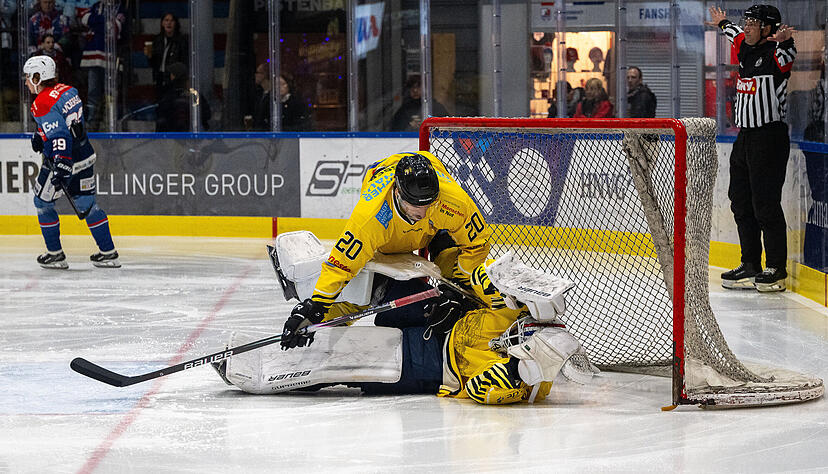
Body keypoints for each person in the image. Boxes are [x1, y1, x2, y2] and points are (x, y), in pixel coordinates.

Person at [215, 253, 596, 405]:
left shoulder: (519, 385)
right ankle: (317, 308)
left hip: (424, 366)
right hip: (436, 321)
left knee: (341, 362)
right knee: (387, 285)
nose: (519, 331)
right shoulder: (516, 317)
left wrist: (516, 368)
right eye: (527, 329)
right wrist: (495, 287)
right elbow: (483, 278)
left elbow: (481, 391)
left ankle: (265, 371)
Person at [279, 152, 493, 356]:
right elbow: (341, 266)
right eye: (415, 205)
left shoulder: (451, 201)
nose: (424, 213)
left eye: (429, 204)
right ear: (398, 193)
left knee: (450, 257)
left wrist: (458, 285)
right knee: (368, 284)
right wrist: (316, 307)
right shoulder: (371, 218)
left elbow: (478, 244)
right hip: (388, 225)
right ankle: (330, 323)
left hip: (435, 222)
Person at [707, 5, 796, 292]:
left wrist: (785, 40)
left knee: (765, 204)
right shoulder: (745, 47)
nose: (747, 26)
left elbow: (787, 56)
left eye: (754, 23)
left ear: (768, 29)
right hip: (744, 137)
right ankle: (750, 264)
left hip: (768, 138)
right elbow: (734, 34)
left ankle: (776, 268)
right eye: (746, 21)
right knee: (740, 201)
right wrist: (723, 22)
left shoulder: (776, 55)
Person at [23, 55, 119, 269]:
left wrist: (61, 164)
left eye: (29, 77)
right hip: (84, 155)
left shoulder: (42, 102)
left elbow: (60, 135)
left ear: (38, 77)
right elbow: (66, 123)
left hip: (63, 160)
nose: (26, 82)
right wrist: (41, 134)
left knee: (42, 203)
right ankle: (108, 253)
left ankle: (55, 254)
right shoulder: (68, 91)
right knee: (87, 204)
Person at [79, 0, 125, 130]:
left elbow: (116, 27)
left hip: (109, 56)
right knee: (93, 91)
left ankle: (110, 121)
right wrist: (105, 21)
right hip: (93, 56)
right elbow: (85, 19)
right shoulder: (96, 6)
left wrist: (97, 22)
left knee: (110, 92)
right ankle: (92, 122)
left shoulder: (119, 7)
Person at [155, 62, 210, 132]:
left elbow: (205, 114)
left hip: (189, 133)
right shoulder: (170, 93)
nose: (170, 76)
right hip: (172, 133)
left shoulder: (193, 94)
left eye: (172, 74)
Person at [144, 13, 188, 101]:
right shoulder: (158, 40)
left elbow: (185, 60)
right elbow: (154, 63)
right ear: (162, 23)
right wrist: (149, 56)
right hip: (160, 77)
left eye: (171, 21)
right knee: (160, 102)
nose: (169, 23)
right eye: (166, 20)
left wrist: (177, 72)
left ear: (175, 24)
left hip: (174, 77)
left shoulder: (181, 41)